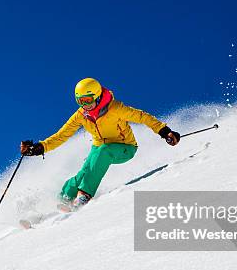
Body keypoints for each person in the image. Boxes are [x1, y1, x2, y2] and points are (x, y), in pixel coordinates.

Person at [20, 78, 181, 209]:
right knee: (84, 172)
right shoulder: (81, 115)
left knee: (103, 151)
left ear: (97, 96)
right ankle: (63, 199)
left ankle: (84, 195)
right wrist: (39, 148)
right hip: (99, 148)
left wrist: (165, 132)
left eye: (88, 100)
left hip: (125, 148)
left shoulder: (115, 108)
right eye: (80, 101)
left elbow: (143, 117)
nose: (85, 105)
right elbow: (62, 135)